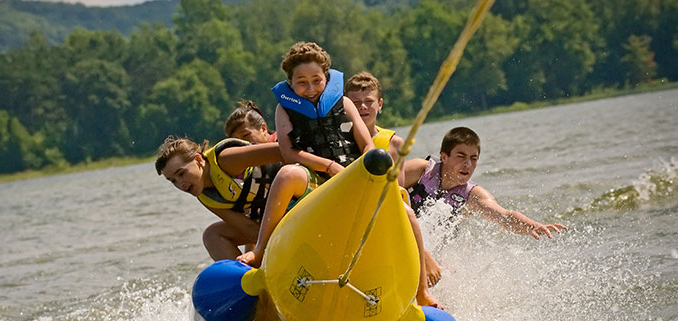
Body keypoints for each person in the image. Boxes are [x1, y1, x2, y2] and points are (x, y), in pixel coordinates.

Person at [237, 42, 440, 307]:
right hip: (316, 177)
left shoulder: (343, 102)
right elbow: (289, 153)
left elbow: (367, 144)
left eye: (316, 81)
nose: (310, 89)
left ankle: (421, 291)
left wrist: (361, 170)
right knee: (287, 174)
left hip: (353, 174)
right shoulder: (284, 109)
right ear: (290, 82)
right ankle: (260, 250)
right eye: (302, 83)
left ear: (327, 77)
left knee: (407, 212)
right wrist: (328, 166)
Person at [345, 71, 443, 293]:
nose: (362, 108)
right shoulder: (339, 140)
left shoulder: (394, 144)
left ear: (380, 104)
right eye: (355, 103)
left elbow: (398, 194)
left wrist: (423, 252)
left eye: (368, 102)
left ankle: (420, 290)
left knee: (405, 211)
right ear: (346, 107)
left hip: (381, 214)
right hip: (348, 211)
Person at [404, 126, 568, 239]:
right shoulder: (422, 170)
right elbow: (382, 186)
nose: (467, 164)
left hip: (430, 253)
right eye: (461, 156)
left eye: (473, 158)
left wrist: (533, 226)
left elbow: (505, 216)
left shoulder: (472, 195)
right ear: (444, 157)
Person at [154, 136, 285, 260]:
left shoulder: (226, 159)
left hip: (296, 194)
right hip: (272, 218)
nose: (180, 184)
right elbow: (248, 229)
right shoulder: (205, 196)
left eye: (181, 173)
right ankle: (247, 279)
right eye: (173, 181)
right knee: (212, 235)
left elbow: (283, 150)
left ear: (199, 159)